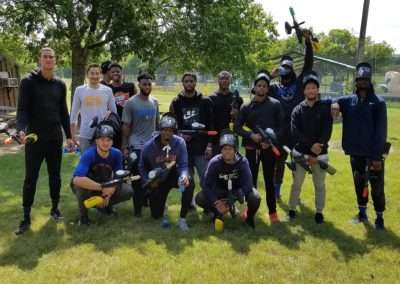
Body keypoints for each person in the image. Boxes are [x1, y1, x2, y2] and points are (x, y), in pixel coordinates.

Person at [15, 47, 74, 235]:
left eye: (51, 57)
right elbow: (22, 110)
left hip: (55, 138)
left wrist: (70, 136)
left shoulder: (60, 85)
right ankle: (25, 217)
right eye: (45, 57)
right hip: (35, 139)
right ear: (40, 59)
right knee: (30, 178)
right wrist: (21, 129)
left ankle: (55, 209)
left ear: (55, 61)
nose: (48, 60)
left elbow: (64, 113)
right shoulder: (27, 82)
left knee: (55, 176)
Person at [332, 62, 388, 230]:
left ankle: (379, 217)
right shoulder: (348, 101)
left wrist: (377, 157)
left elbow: (381, 131)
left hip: (373, 154)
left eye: (365, 79)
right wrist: (335, 103)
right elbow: (330, 99)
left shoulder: (378, 102)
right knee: (359, 183)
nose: (362, 82)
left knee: (376, 186)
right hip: (355, 152)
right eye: (359, 79)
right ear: (355, 81)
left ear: (370, 81)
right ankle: (362, 213)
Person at [269, 30, 314, 200]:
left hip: (297, 130)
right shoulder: (274, 88)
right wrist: (269, 75)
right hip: (280, 131)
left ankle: (296, 194)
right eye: (283, 67)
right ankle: (276, 191)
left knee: (297, 163)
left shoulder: (300, 82)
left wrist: (308, 42)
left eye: (288, 67)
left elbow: (308, 64)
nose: (285, 70)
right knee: (278, 163)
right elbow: (257, 86)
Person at [235, 72, 283, 223]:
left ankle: (273, 212)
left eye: (264, 86)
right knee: (251, 180)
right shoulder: (246, 106)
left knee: (269, 180)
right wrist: (251, 136)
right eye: (259, 85)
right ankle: (250, 210)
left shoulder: (275, 104)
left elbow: (282, 127)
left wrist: (270, 141)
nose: (261, 88)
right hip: (251, 148)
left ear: (268, 88)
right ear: (254, 87)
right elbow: (237, 127)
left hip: (268, 148)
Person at [287, 71, 333, 224]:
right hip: (301, 154)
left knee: (319, 185)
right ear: (304, 91)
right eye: (308, 88)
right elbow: (295, 132)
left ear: (317, 90)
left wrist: (319, 145)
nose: (310, 90)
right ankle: (292, 209)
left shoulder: (326, 107)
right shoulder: (297, 110)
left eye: (313, 88)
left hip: (320, 154)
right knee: (296, 184)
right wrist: (310, 146)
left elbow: (327, 128)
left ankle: (319, 212)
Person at [195, 130, 261, 230]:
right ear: (221, 150)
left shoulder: (242, 162)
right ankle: (217, 212)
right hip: (219, 192)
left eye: (230, 149)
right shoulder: (214, 162)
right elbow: (206, 185)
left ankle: (249, 217)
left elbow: (248, 184)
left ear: (235, 150)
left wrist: (232, 199)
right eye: (224, 149)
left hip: (237, 192)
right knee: (200, 198)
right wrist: (217, 202)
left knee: (255, 197)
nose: (227, 152)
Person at [71, 124, 133, 225]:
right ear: (96, 141)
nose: (105, 143)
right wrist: (102, 188)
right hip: (89, 185)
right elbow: (77, 179)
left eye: (108, 140)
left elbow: (118, 177)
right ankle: (83, 218)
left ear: (112, 141)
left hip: (104, 183)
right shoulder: (89, 154)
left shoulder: (117, 154)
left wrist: (107, 195)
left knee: (127, 190)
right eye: (102, 139)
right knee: (80, 187)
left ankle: (105, 207)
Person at [139, 113, 192, 231]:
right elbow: (142, 166)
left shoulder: (180, 143)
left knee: (189, 182)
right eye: (164, 130)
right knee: (155, 215)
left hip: (173, 175)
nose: (167, 133)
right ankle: (161, 206)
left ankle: (182, 219)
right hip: (158, 179)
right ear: (159, 131)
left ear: (174, 131)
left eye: (170, 130)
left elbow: (183, 164)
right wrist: (148, 181)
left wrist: (184, 175)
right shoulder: (149, 146)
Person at [169, 72, 214, 206]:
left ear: (195, 83)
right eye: (186, 81)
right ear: (183, 83)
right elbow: (171, 124)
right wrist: (180, 136)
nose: (189, 83)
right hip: (183, 150)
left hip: (201, 148)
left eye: (191, 81)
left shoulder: (205, 101)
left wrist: (210, 145)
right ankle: (188, 205)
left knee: (206, 179)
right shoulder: (176, 102)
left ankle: (209, 205)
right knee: (187, 180)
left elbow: (211, 125)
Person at [121, 72, 160, 217]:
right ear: (139, 85)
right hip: (136, 145)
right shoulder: (131, 102)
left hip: (152, 145)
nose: (147, 86)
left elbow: (157, 125)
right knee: (138, 177)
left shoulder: (154, 101)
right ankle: (137, 211)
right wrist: (125, 146)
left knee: (153, 176)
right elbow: (125, 126)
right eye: (144, 84)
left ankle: (149, 203)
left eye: (149, 84)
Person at [70, 64, 117, 153]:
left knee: (101, 163)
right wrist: (73, 134)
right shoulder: (79, 90)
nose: (95, 76)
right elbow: (74, 114)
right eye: (92, 73)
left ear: (101, 75)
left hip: (103, 133)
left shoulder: (107, 90)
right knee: (86, 161)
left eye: (97, 73)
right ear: (87, 74)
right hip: (85, 134)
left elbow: (114, 113)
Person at [209, 71, 243, 156]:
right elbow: (209, 120)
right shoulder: (211, 99)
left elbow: (243, 119)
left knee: (232, 164)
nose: (224, 81)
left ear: (230, 80)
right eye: (222, 78)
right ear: (218, 80)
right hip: (216, 137)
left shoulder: (237, 99)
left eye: (227, 78)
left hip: (232, 136)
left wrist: (237, 114)